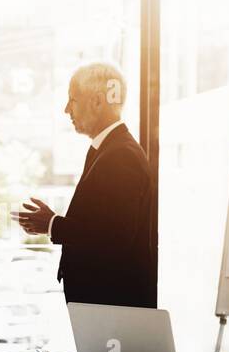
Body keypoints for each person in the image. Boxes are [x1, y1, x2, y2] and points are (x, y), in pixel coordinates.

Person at [13, 62, 154, 308]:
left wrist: (52, 224)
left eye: (72, 100)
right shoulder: (111, 149)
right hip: (106, 304)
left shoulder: (120, 155)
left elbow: (115, 237)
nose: (66, 109)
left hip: (111, 305)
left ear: (97, 102)